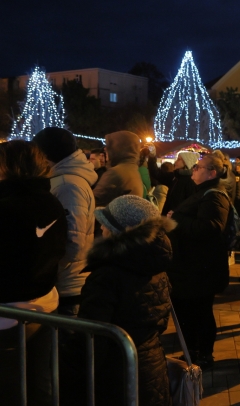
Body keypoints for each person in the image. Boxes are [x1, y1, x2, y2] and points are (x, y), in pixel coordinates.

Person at [64, 195, 174, 406]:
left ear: (119, 233)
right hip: (151, 365)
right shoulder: (154, 266)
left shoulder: (108, 275)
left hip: (117, 375)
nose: (101, 229)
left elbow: (92, 339)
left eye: (105, 225)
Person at [0, 140, 68, 405]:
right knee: (38, 381)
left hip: (9, 310)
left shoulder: (8, 207)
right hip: (44, 303)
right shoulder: (50, 202)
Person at [166, 154, 232, 368]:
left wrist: (177, 218)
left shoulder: (214, 196)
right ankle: (193, 350)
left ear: (212, 173)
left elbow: (210, 228)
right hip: (191, 267)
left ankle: (202, 353)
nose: (194, 170)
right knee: (191, 311)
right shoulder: (202, 192)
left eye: (198, 167)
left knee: (200, 312)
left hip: (200, 269)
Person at [33, 127, 98, 317]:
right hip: (69, 280)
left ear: (43, 154)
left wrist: (46, 267)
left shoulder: (67, 185)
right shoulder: (65, 180)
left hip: (69, 284)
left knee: (66, 343)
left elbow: (73, 241)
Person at [93, 131, 144, 207]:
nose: (105, 149)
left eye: (110, 146)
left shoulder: (116, 172)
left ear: (119, 148)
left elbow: (92, 200)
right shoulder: (131, 169)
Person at [161, 151, 199, 216]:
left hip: (177, 219)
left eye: (179, 159)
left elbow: (189, 204)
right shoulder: (176, 177)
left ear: (186, 163)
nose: (175, 162)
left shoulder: (190, 181)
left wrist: (176, 213)